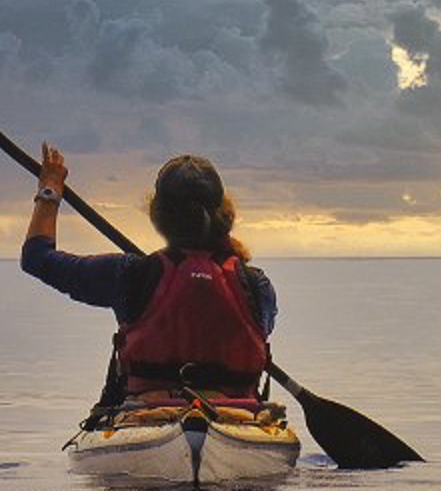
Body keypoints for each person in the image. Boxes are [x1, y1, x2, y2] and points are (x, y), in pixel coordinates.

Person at [20, 144, 279, 413]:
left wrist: (49, 190)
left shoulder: (130, 275)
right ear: (223, 212)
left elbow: (36, 257)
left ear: (157, 215)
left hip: (149, 415)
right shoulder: (256, 286)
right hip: (238, 418)